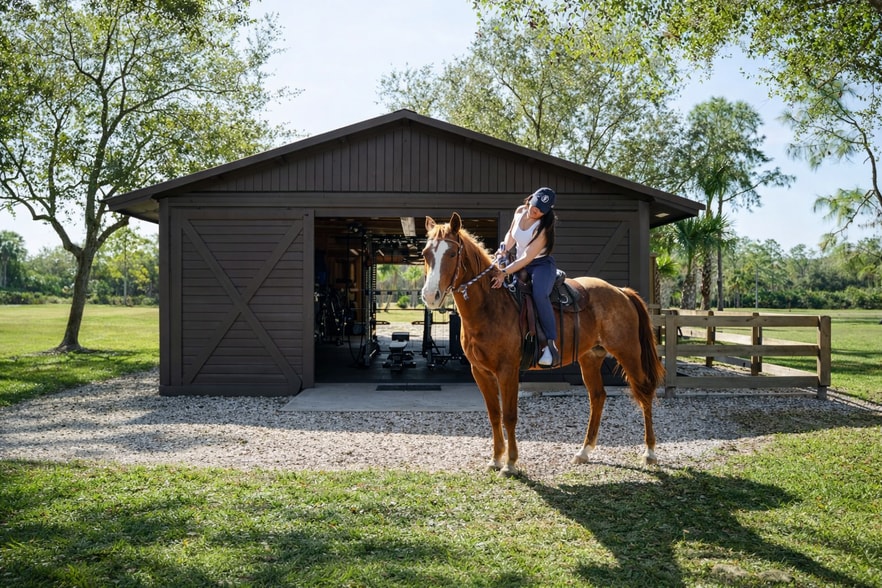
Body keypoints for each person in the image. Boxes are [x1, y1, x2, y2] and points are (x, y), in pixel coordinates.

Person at [491, 187, 560, 367]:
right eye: (534, 205)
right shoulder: (520, 211)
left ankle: (550, 345)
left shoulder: (543, 229)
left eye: (540, 210)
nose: (534, 210)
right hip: (519, 262)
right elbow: (511, 235)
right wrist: (503, 248)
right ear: (530, 199)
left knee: (539, 294)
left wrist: (504, 272)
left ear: (546, 212)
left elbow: (527, 258)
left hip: (540, 265)